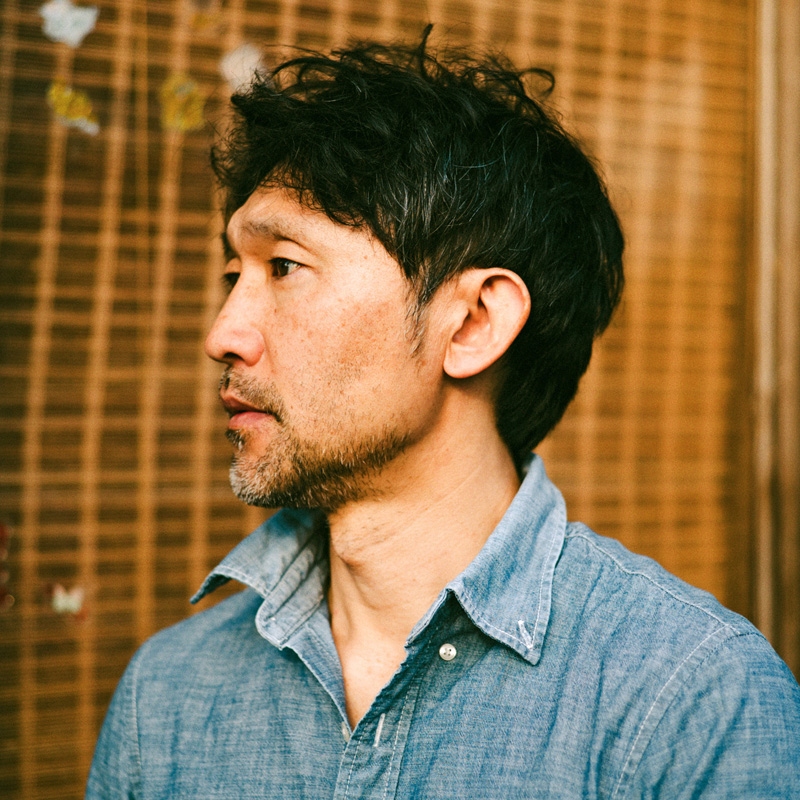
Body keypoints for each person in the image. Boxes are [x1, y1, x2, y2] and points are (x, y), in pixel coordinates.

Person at [86, 30, 800, 799]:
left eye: (284, 266)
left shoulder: (690, 700)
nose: (223, 334)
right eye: (235, 274)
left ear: (472, 324)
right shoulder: (168, 694)